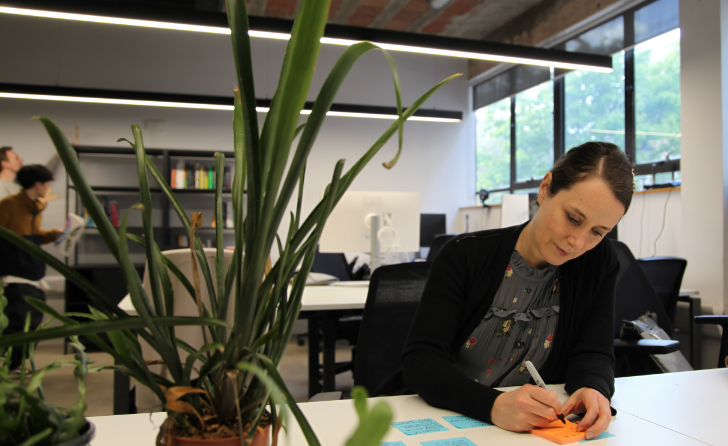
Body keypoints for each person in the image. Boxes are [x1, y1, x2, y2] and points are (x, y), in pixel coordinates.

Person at [377, 141, 633, 440]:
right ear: (545, 187)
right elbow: (421, 361)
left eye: (597, 232)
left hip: (528, 431)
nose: (577, 241)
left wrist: (593, 386)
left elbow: (594, 352)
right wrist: (494, 405)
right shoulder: (465, 255)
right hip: (445, 417)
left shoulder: (598, 261)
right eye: (573, 218)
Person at [0, 164, 63, 372]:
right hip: (16, 274)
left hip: (32, 273)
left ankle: (13, 364)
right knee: (19, 323)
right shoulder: (9, 205)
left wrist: (55, 234)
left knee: (33, 322)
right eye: (46, 184)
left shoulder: (34, 207)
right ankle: (8, 365)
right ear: (38, 184)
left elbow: (32, 238)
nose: (47, 188)